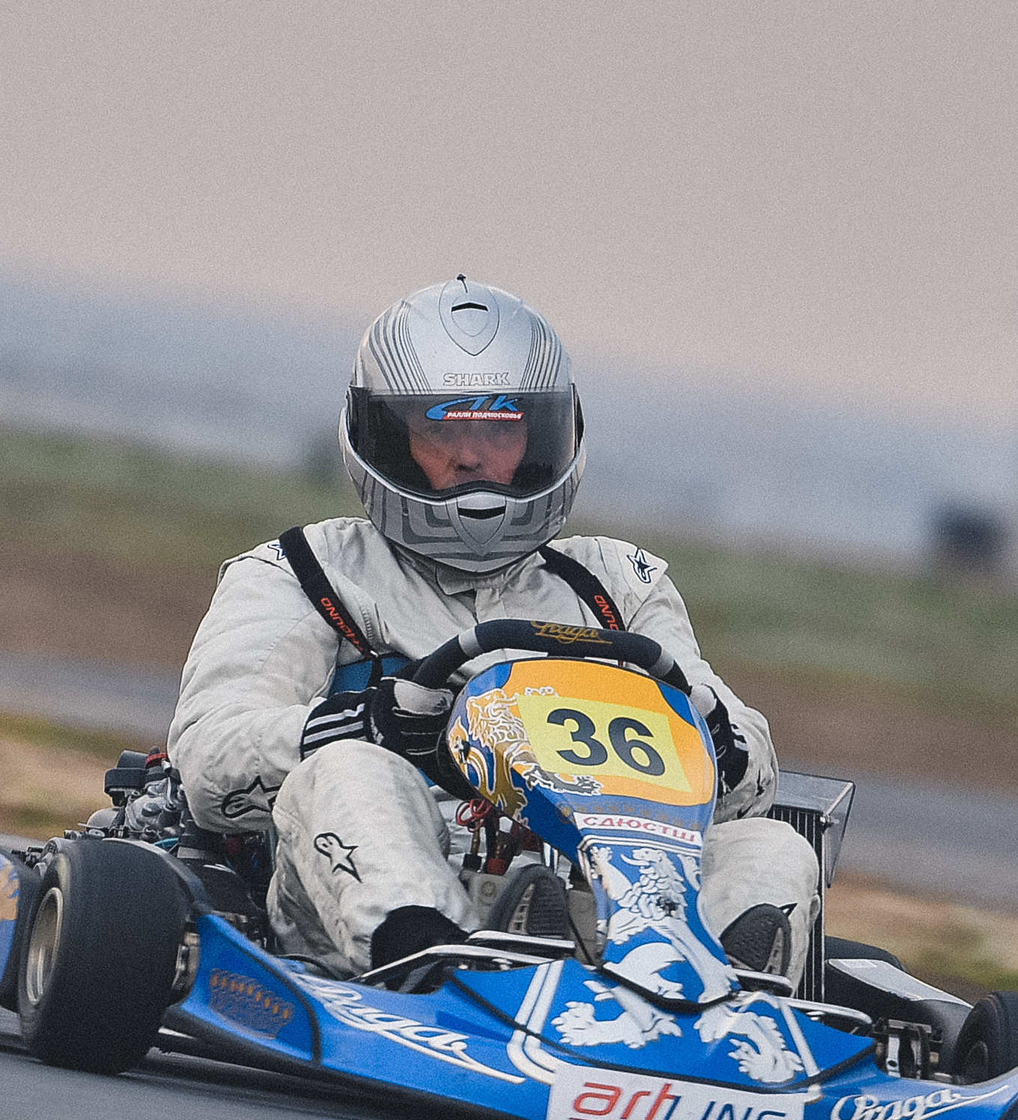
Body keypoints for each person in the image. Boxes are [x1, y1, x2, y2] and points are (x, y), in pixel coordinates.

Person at [168, 277, 818, 983]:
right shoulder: (305, 571)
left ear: (544, 436)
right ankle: (436, 964)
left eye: (500, 429)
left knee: (773, 846)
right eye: (443, 429)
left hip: (603, 898)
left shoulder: (618, 587)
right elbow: (207, 760)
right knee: (347, 769)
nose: (473, 456)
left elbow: (749, 782)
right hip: (361, 908)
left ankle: (719, 1001)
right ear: (388, 439)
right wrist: (367, 724)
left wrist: (717, 740)